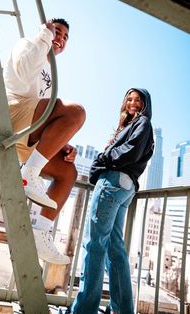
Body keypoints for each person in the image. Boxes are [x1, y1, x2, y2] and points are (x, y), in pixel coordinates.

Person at [0, 18, 86, 265]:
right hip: (8, 110)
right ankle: (29, 174)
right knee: (76, 112)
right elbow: (24, 73)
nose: (60, 37)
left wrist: (61, 145)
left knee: (67, 171)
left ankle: (41, 231)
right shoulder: (28, 44)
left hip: (26, 126)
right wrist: (44, 36)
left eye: (65, 36)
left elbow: (47, 116)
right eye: (57, 31)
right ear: (45, 28)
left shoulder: (51, 70)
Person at [71, 88, 154, 314]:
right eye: (129, 99)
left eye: (138, 100)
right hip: (125, 187)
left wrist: (102, 159)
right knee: (115, 248)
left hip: (112, 183)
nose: (133, 103)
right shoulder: (132, 126)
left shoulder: (143, 123)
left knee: (94, 245)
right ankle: (123, 309)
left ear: (146, 104)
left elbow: (130, 153)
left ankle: (84, 310)